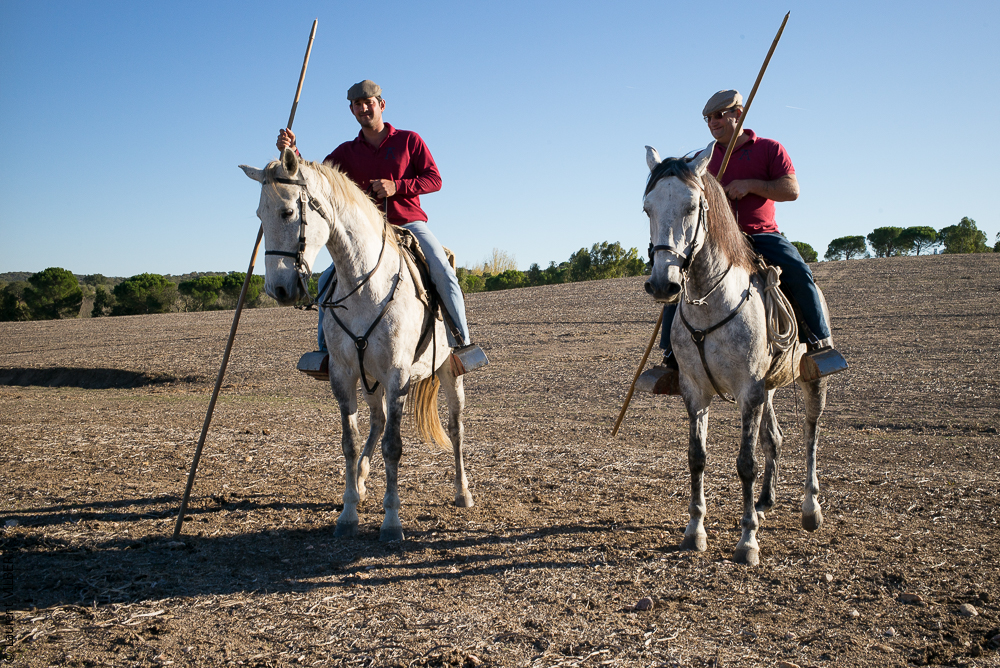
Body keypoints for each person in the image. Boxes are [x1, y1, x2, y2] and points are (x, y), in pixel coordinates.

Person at [276, 79, 488, 377]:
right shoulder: (345, 152)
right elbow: (316, 178)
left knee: (442, 270)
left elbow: (434, 179)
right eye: (357, 105)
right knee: (326, 281)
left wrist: (397, 186)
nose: (364, 108)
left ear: (381, 105)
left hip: (409, 223)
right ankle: (325, 354)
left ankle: (460, 346)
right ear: (351, 110)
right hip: (367, 235)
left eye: (369, 103)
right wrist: (293, 151)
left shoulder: (409, 140)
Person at [639, 89, 846, 394]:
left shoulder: (769, 149)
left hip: (760, 234)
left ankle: (818, 343)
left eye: (719, 115)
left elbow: (791, 190)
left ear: (739, 113)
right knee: (678, 280)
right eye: (708, 118)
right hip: (716, 241)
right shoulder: (702, 159)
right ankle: (671, 359)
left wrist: (751, 185)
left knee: (799, 271)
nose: (713, 122)